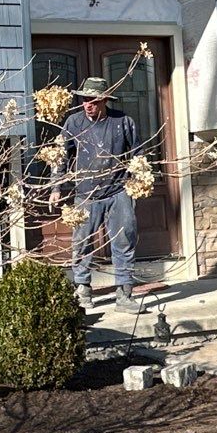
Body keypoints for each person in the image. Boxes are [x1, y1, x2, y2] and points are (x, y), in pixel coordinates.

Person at [57, 77, 142, 312]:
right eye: (85, 100)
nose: (88, 105)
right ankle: (83, 289)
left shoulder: (123, 121)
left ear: (104, 99)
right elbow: (60, 155)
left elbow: (137, 155)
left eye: (93, 100)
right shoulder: (74, 123)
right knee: (81, 242)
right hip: (86, 193)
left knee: (125, 239)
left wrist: (138, 182)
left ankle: (124, 294)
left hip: (118, 191)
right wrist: (56, 187)